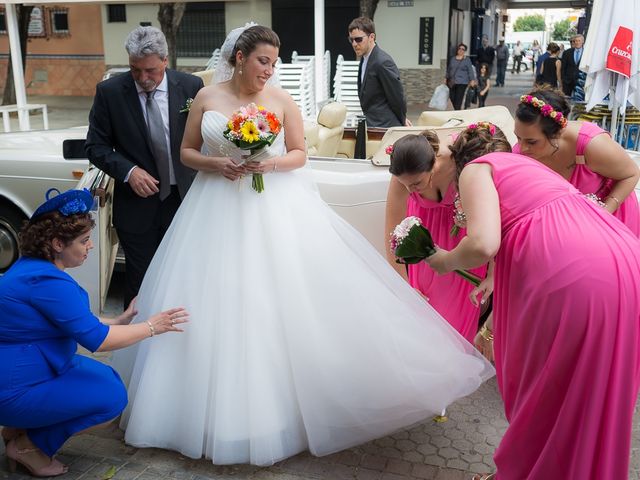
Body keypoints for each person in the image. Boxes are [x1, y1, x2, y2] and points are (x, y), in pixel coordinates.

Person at [115, 24, 493, 467]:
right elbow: (186, 153)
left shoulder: (280, 99)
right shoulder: (206, 97)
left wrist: (267, 163)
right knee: (213, 298)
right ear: (239, 57)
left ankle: (280, 413)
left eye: (273, 64)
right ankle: (195, 413)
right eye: (263, 62)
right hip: (213, 205)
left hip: (270, 203)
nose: (269, 71)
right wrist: (218, 162)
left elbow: (299, 153)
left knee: (275, 300)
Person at [422, 123, 640, 480]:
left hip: (577, 271)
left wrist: (441, 261)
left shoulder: (479, 170)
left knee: (549, 388)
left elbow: (483, 244)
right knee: (592, 394)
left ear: (460, 163)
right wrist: (490, 328)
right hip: (624, 258)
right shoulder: (529, 166)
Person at [0, 189, 188, 478]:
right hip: (16, 386)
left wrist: (119, 319)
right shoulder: (48, 281)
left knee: (106, 379)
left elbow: (71, 319)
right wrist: (153, 327)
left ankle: (18, 429)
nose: (90, 247)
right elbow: (97, 342)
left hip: (33, 367)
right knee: (110, 399)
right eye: (84, 241)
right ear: (57, 243)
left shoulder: (33, 267)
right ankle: (28, 445)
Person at [85, 26, 204, 307]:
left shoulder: (191, 87)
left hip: (185, 200)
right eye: (134, 69)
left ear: (165, 59)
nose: (142, 78)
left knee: (186, 276)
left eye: (150, 70)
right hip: (137, 208)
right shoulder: (109, 92)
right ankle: (136, 345)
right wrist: (129, 171)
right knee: (141, 281)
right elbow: (95, 146)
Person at [385, 130, 487, 342]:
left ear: (432, 165)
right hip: (423, 255)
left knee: (456, 334)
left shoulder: (461, 165)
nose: (409, 189)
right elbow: (391, 234)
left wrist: (493, 273)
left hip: (461, 252)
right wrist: (406, 288)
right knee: (422, 329)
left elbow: (494, 221)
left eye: (416, 184)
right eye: (405, 184)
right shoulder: (403, 177)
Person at [514, 87, 640, 236]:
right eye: (518, 138)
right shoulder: (520, 153)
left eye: (532, 142)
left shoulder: (591, 144)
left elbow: (631, 174)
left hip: (613, 218)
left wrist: (603, 213)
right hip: (571, 227)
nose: (522, 148)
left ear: (558, 133)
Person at [348, 16, 409, 127]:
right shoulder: (365, 58)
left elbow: (397, 96)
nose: (354, 44)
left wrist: (402, 119)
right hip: (372, 125)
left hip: (385, 127)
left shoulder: (382, 61)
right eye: (351, 40)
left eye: (358, 39)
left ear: (372, 37)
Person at [446, 43, 476, 110]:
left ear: (464, 51)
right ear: (457, 49)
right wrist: (445, 78)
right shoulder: (452, 59)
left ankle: (457, 111)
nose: (461, 50)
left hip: (462, 83)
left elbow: (470, 70)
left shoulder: (467, 60)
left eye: (463, 49)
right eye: (459, 48)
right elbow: (449, 69)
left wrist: (472, 80)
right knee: (452, 97)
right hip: (452, 82)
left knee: (458, 99)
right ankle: (457, 110)